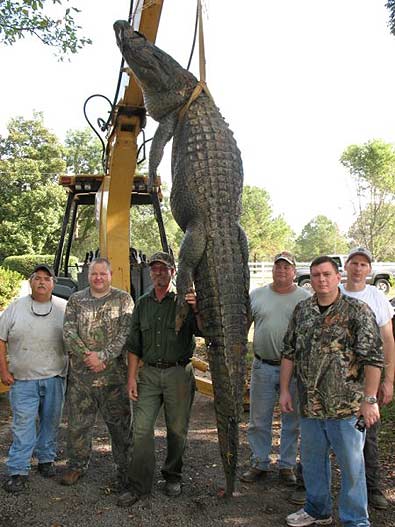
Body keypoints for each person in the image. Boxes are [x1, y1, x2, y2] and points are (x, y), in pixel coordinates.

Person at [280, 256, 383, 527]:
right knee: (313, 464)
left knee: (352, 469)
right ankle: (318, 510)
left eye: (326, 274)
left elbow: (373, 358)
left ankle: (356, 520)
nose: (321, 279)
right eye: (315, 275)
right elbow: (289, 352)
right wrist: (284, 391)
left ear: (338, 277)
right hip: (310, 406)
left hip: (347, 408)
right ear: (310, 280)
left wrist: (370, 399)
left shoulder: (357, 311)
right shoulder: (302, 311)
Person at [117, 251, 202, 507]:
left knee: (177, 430)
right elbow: (134, 345)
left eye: (163, 269)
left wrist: (197, 307)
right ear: (150, 273)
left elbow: (204, 329)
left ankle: (173, 476)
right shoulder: (142, 304)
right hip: (149, 374)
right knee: (141, 429)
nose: (158, 273)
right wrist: (132, 378)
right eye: (154, 269)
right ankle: (138, 485)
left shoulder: (184, 302)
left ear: (173, 272)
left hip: (179, 373)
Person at [61, 257, 134, 488]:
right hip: (82, 379)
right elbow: (69, 332)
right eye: (94, 274)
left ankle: (125, 470)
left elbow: (126, 334)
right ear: (88, 275)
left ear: (111, 275)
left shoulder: (123, 300)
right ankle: (76, 466)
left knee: (121, 428)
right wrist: (88, 356)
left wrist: (102, 357)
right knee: (78, 426)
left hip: (114, 379)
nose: (98, 278)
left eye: (103, 274)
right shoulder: (76, 300)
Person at [240, 252, 310, 486]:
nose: (281, 271)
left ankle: (286, 465)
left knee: (291, 420)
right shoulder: (257, 295)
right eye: (278, 267)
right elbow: (243, 326)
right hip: (262, 366)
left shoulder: (305, 298)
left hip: (293, 370)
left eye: (286, 268)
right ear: (273, 270)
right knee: (258, 419)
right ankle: (259, 462)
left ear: (294, 271)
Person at [0, 264, 67, 493]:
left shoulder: (64, 308)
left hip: (55, 377)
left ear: (53, 284)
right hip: (23, 380)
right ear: (31, 282)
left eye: (46, 279)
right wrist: (4, 370)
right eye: (37, 278)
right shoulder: (15, 308)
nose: (41, 282)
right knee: (23, 426)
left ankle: (46, 460)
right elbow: (1, 339)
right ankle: (18, 470)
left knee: (50, 422)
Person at [340, 247, 395, 510]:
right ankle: (308, 484)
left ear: (369, 269)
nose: (358, 268)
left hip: (367, 380)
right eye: (354, 263)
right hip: (333, 378)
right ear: (346, 266)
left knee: (368, 434)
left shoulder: (377, 298)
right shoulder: (333, 292)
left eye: (363, 264)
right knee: (322, 431)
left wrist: (388, 380)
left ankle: (373, 488)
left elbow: (388, 339)